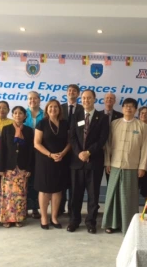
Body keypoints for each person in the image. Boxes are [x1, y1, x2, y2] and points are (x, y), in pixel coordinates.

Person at [102, 98, 147, 234]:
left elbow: (144, 148)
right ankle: (111, 223)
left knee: (128, 197)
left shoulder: (141, 126)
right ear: (122, 108)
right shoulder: (114, 124)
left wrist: (142, 166)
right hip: (115, 165)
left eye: (132, 107)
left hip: (132, 166)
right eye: (126, 106)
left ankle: (127, 226)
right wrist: (107, 162)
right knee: (112, 196)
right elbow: (108, 145)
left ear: (135, 110)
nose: (128, 109)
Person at [68, 90, 109, 234]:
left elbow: (102, 139)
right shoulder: (76, 116)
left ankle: (91, 222)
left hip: (94, 162)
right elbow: (72, 137)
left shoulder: (102, 117)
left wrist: (89, 152)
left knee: (93, 195)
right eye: (84, 98)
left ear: (94, 99)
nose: (86, 100)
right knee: (75, 195)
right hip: (77, 162)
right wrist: (79, 153)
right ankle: (74, 221)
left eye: (89, 98)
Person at [34, 99, 71, 229]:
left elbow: (69, 142)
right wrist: (50, 154)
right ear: (47, 109)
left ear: (59, 110)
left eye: (56, 107)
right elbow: (36, 143)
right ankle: (44, 217)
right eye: (50, 107)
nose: (53, 109)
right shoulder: (42, 123)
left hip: (61, 160)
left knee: (57, 190)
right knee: (44, 190)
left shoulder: (65, 123)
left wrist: (62, 153)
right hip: (45, 160)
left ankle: (54, 217)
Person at [0, 106, 34, 228]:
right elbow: (2, 149)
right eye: (15, 113)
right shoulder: (6, 129)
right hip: (9, 167)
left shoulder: (29, 131)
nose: (18, 115)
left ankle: (19, 218)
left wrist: (29, 168)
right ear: (12, 115)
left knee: (20, 194)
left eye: (20, 113)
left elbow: (31, 151)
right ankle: (7, 218)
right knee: (7, 195)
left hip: (22, 168)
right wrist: (1, 168)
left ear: (25, 116)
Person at [59, 84, 84, 216]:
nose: (71, 92)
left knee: (74, 183)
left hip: (76, 151)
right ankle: (59, 208)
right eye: (69, 90)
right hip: (61, 149)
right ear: (66, 93)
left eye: (74, 91)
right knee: (61, 180)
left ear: (78, 94)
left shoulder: (82, 108)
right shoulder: (60, 108)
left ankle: (71, 209)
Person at [24, 91, 43, 219]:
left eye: (35, 98)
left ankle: (36, 208)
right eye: (30, 98)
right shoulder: (22, 113)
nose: (32, 101)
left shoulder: (45, 113)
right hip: (25, 151)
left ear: (39, 100)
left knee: (37, 180)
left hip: (41, 151)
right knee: (25, 180)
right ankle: (24, 208)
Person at [100, 92, 123, 183]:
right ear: (104, 100)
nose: (109, 99)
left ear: (114, 101)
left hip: (114, 151)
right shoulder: (97, 114)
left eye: (111, 98)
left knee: (112, 181)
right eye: (107, 98)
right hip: (100, 150)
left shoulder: (121, 116)